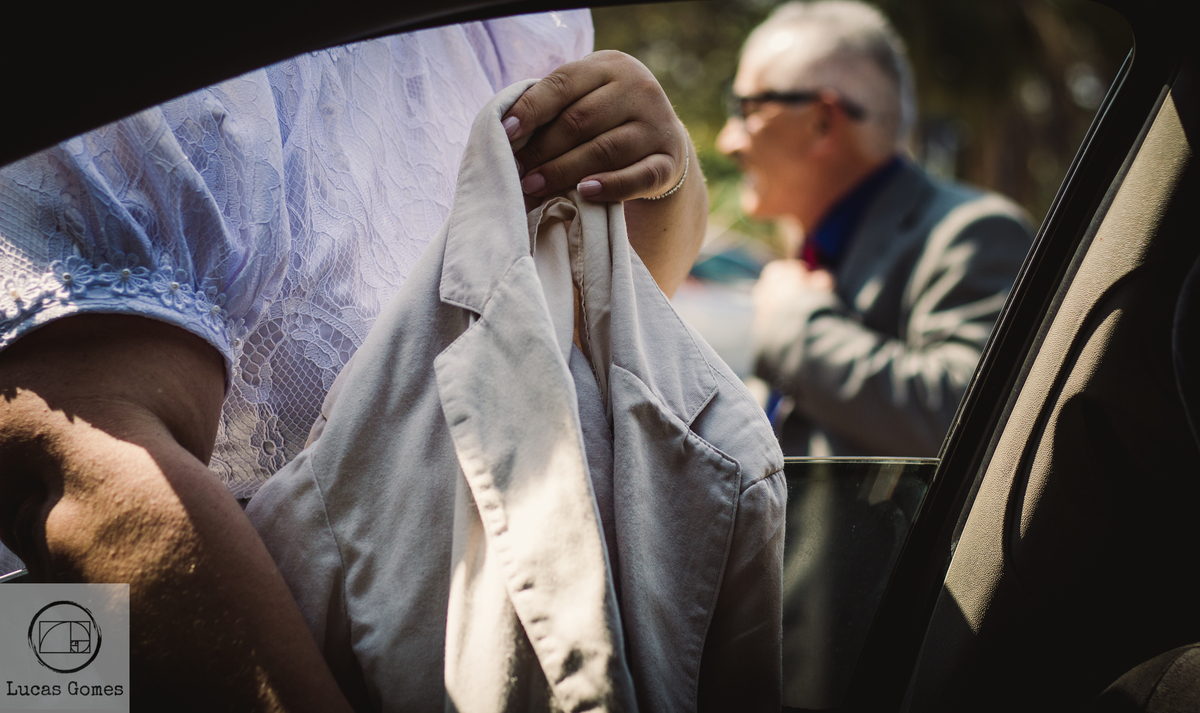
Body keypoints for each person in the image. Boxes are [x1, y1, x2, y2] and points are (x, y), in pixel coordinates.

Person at [0, 13, 710, 710]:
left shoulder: (511, 29)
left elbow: (584, 339)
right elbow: (79, 465)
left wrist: (659, 177)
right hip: (124, 661)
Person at [717, 0, 1034, 457]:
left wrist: (794, 325)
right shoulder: (815, 249)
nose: (730, 141)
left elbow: (970, 419)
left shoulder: (973, 232)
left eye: (746, 107)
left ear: (822, 123)